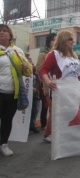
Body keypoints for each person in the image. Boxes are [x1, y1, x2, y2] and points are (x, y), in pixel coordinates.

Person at [40, 30, 80, 143]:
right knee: (57, 114)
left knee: (72, 112)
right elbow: (43, 69)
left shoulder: (74, 56)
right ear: (63, 40)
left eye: (73, 39)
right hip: (60, 90)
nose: (73, 42)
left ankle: (67, 134)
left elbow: (77, 75)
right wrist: (48, 82)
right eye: (70, 39)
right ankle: (49, 134)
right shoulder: (55, 54)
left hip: (73, 90)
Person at [0, 24, 32, 156]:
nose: (2, 33)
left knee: (7, 120)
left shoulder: (17, 51)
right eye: (0, 31)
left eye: (4, 31)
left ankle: (4, 144)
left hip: (13, 93)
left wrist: (26, 66)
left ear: (10, 35)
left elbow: (28, 71)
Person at [36, 33, 56, 130]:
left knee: (56, 110)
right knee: (49, 108)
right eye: (53, 40)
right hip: (48, 86)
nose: (55, 42)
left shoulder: (60, 54)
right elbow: (39, 69)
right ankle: (46, 129)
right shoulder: (43, 55)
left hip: (58, 86)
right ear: (49, 42)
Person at [26, 53, 40, 134]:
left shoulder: (34, 69)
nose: (30, 60)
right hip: (27, 93)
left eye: (31, 59)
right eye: (29, 59)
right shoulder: (24, 68)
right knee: (27, 110)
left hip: (36, 93)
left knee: (35, 110)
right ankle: (26, 126)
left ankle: (32, 125)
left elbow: (38, 80)